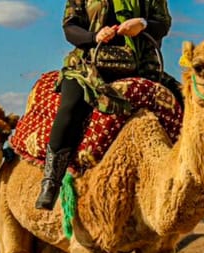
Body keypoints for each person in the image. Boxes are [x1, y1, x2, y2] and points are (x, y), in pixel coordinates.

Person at [36, 0, 172, 210]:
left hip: (141, 67)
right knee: (71, 107)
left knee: (178, 104)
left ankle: (181, 184)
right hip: (88, 65)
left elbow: (162, 24)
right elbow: (70, 27)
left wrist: (142, 24)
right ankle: (51, 182)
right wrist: (94, 37)